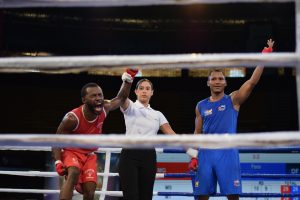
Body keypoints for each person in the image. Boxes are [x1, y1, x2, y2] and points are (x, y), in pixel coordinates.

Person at [190, 39, 275, 200]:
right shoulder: (200, 105)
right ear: (208, 82)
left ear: (225, 82)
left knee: (233, 196)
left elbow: (251, 83)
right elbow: (197, 132)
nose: (217, 81)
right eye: (213, 79)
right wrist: (194, 156)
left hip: (227, 153)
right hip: (205, 154)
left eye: (220, 79)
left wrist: (264, 57)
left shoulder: (233, 99)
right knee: (201, 196)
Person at [52, 69, 139, 200]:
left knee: (90, 189)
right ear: (84, 99)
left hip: (90, 155)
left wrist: (128, 78)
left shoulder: (105, 108)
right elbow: (56, 140)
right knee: (73, 173)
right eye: (93, 96)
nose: (98, 99)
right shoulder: (72, 118)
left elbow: (121, 99)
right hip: (72, 151)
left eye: (100, 95)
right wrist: (58, 161)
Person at [118, 78, 176, 200]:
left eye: (147, 89)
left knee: (146, 197)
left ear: (152, 92)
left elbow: (171, 133)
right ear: (136, 91)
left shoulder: (157, 114)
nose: (144, 91)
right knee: (131, 196)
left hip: (148, 157)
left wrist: (190, 146)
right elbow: (121, 98)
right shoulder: (131, 107)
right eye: (141, 88)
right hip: (129, 155)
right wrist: (127, 81)